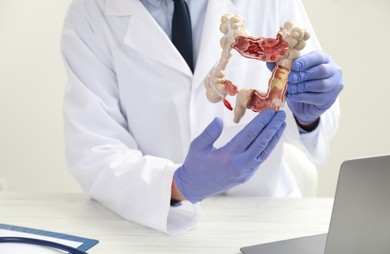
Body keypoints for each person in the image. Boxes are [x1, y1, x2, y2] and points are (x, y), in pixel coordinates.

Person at [60, 0, 343, 234]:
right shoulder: (91, 13)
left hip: (267, 220)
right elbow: (94, 151)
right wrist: (177, 184)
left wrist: (309, 113)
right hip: (155, 230)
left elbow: (317, 116)